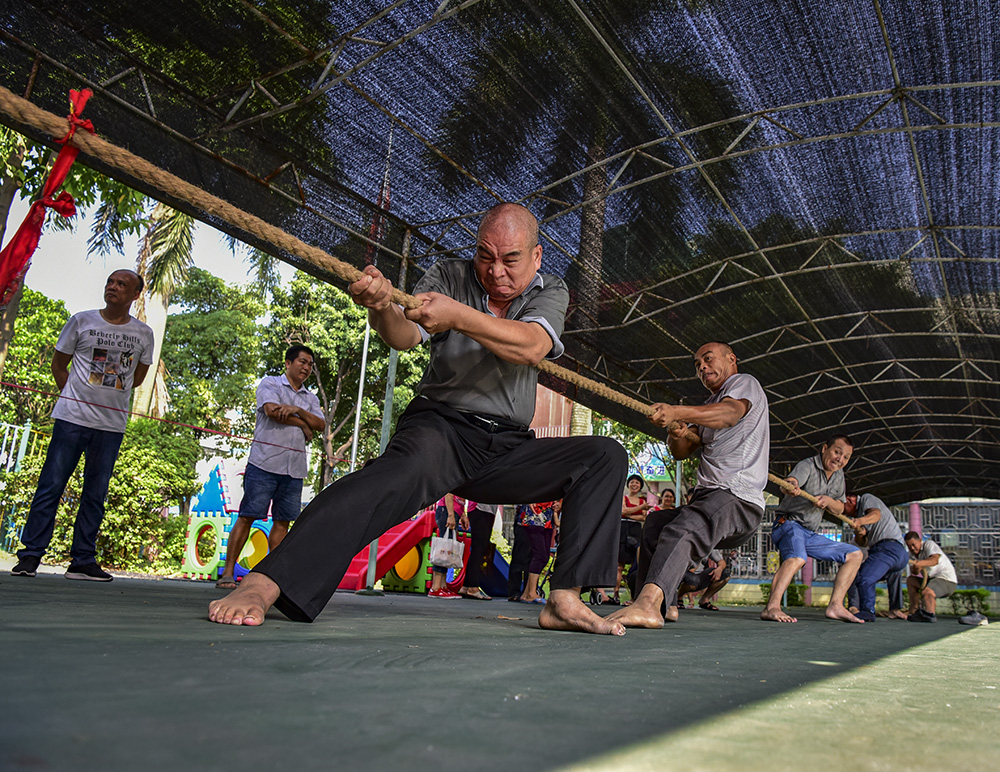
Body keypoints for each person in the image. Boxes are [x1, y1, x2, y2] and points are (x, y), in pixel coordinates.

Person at [209, 203, 628, 635]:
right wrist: (381, 306)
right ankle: (264, 581)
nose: (496, 270)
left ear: (536, 257)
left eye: (510, 259)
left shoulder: (550, 290)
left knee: (605, 456)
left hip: (508, 447)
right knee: (380, 481)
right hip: (441, 431)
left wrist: (458, 316)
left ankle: (563, 599)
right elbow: (405, 335)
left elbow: (531, 346)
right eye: (485, 256)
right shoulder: (449, 276)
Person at [609, 341, 769, 628]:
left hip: (736, 497)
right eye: (697, 365)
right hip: (710, 498)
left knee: (681, 530)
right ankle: (662, 606)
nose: (702, 367)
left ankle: (648, 605)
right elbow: (681, 451)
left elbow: (730, 414)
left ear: (731, 359)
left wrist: (678, 412)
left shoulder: (744, 384)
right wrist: (675, 431)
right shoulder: (708, 406)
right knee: (657, 524)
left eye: (708, 359)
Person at [10, 270, 154, 581]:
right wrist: (75, 398)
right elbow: (58, 365)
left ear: (134, 296)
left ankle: (82, 560)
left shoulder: (144, 334)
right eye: (110, 282)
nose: (112, 287)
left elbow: (136, 378)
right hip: (71, 420)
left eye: (121, 284)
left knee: (95, 493)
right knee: (51, 486)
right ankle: (30, 556)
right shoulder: (81, 320)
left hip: (111, 426)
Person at [215, 345, 324, 589]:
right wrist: (302, 424)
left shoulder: (310, 398)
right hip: (264, 462)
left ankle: (273, 577)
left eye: (309, 364)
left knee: (283, 521)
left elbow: (320, 424)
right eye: (302, 362)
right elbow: (272, 411)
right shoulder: (271, 384)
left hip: (294, 469)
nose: (306, 368)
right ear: (288, 363)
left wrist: (297, 411)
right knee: (248, 516)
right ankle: (228, 573)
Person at [760, 435, 864, 624]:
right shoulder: (807, 465)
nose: (840, 459)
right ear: (825, 449)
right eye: (837, 452)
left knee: (855, 555)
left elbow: (840, 508)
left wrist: (830, 501)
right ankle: (772, 607)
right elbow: (790, 482)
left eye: (846, 457)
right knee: (797, 558)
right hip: (788, 524)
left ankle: (835, 606)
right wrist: (791, 486)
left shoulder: (839, 476)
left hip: (809, 534)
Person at [843, 493, 909, 622]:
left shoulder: (867, 499)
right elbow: (863, 543)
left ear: (850, 500)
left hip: (888, 548)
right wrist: (859, 533)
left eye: (844, 509)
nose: (846, 514)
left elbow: (876, 515)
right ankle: (895, 609)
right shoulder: (863, 516)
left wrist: (859, 521)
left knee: (864, 577)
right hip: (897, 554)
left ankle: (867, 611)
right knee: (893, 575)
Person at [904, 531, 958, 623]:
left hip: (946, 580)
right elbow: (915, 573)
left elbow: (934, 560)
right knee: (911, 580)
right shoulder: (911, 555)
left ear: (920, 541)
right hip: (931, 580)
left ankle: (929, 615)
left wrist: (919, 563)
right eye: (909, 546)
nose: (912, 548)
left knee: (928, 592)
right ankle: (913, 610)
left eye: (914, 545)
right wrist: (915, 568)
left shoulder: (929, 544)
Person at [515, 500, 560, 603]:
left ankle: (527, 593)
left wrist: (557, 503)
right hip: (534, 515)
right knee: (539, 555)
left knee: (544, 557)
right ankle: (531, 592)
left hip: (548, 516)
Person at [615, 474, 651, 603]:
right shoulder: (624, 498)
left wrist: (629, 514)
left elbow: (643, 518)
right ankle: (615, 594)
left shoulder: (642, 500)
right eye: (632, 482)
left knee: (635, 565)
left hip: (636, 532)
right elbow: (622, 511)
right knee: (619, 566)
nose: (634, 484)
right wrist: (640, 509)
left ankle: (633, 597)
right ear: (628, 484)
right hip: (623, 530)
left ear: (640, 486)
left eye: (637, 482)